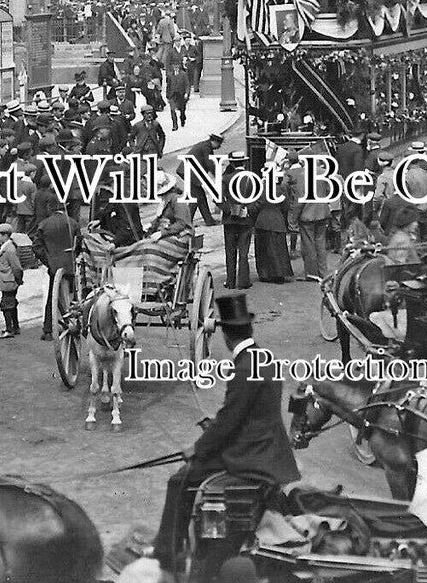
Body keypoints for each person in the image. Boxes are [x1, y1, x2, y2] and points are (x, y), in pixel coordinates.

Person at [152, 293, 300, 572]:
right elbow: (246, 413)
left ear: (227, 336)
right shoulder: (264, 358)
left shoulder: (243, 368)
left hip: (252, 455)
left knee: (180, 479)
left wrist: (198, 448)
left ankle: (166, 554)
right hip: (268, 446)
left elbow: (230, 421)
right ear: (248, 329)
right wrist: (216, 426)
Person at [34, 204, 78, 341]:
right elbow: (79, 244)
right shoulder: (73, 223)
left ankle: (48, 329)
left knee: (52, 297)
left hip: (54, 267)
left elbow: (36, 246)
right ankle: (74, 320)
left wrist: (48, 261)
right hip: (70, 265)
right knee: (72, 296)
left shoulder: (44, 224)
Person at [220, 152, 255, 289]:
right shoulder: (251, 178)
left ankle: (230, 281)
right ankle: (244, 281)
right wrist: (247, 210)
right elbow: (257, 199)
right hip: (246, 219)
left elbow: (218, 199)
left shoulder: (225, 179)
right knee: (244, 251)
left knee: (230, 251)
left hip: (229, 220)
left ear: (232, 163)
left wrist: (230, 209)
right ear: (244, 163)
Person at [179, 133, 223, 226]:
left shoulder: (205, 145)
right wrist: (218, 175)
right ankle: (187, 222)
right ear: (214, 141)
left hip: (188, 171)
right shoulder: (206, 148)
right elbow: (209, 163)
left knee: (200, 196)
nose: (219, 146)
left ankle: (208, 220)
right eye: (219, 144)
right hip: (189, 173)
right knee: (196, 197)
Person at [0, 223, 24, 339]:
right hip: (8, 281)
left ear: (5, 235)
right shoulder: (5, 247)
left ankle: (9, 329)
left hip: (9, 282)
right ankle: (15, 327)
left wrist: (18, 279)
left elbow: (17, 267)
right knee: (12, 304)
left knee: (6, 305)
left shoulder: (9, 250)